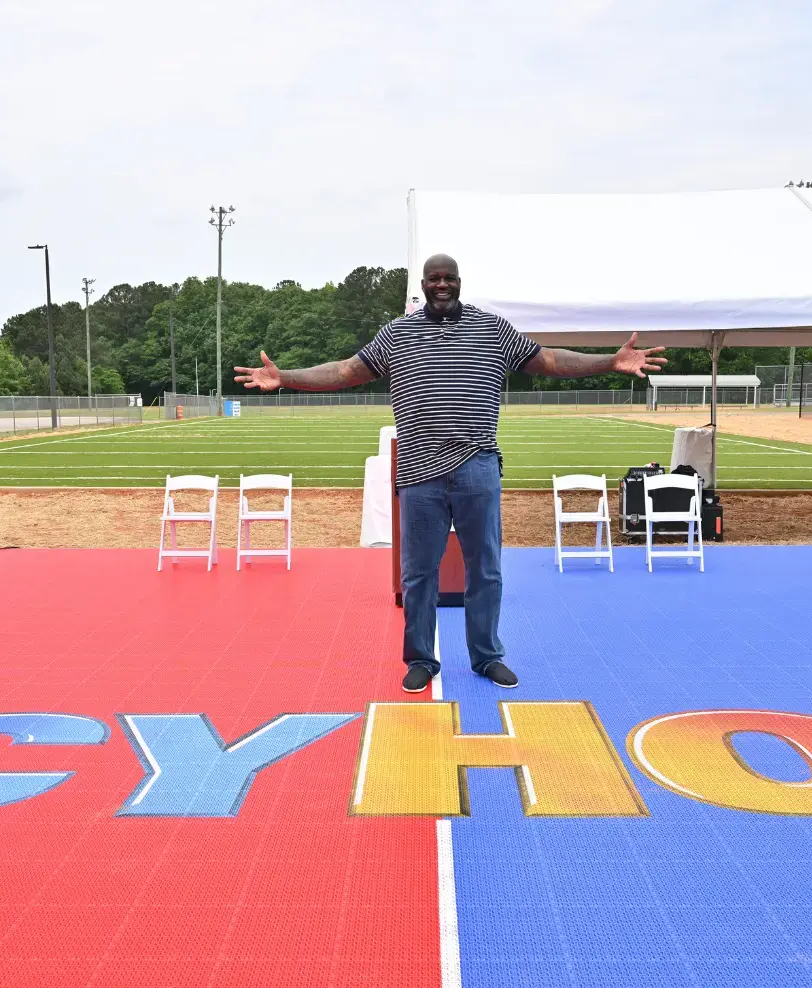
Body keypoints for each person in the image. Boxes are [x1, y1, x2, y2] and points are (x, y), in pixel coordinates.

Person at [234, 254, 667, 693]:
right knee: (419, 573)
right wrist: (285, 376)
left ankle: (487, 656)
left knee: (486, 569)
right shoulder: (396, 333)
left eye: (449, 278)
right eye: (434, 279)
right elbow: (344, 371)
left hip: (477, 465)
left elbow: (551, 360)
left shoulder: (491, 329)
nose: (442, 285)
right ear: (423, 284)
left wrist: (608, 362)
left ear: (460, 283)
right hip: (419, 469)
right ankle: (421, 658)